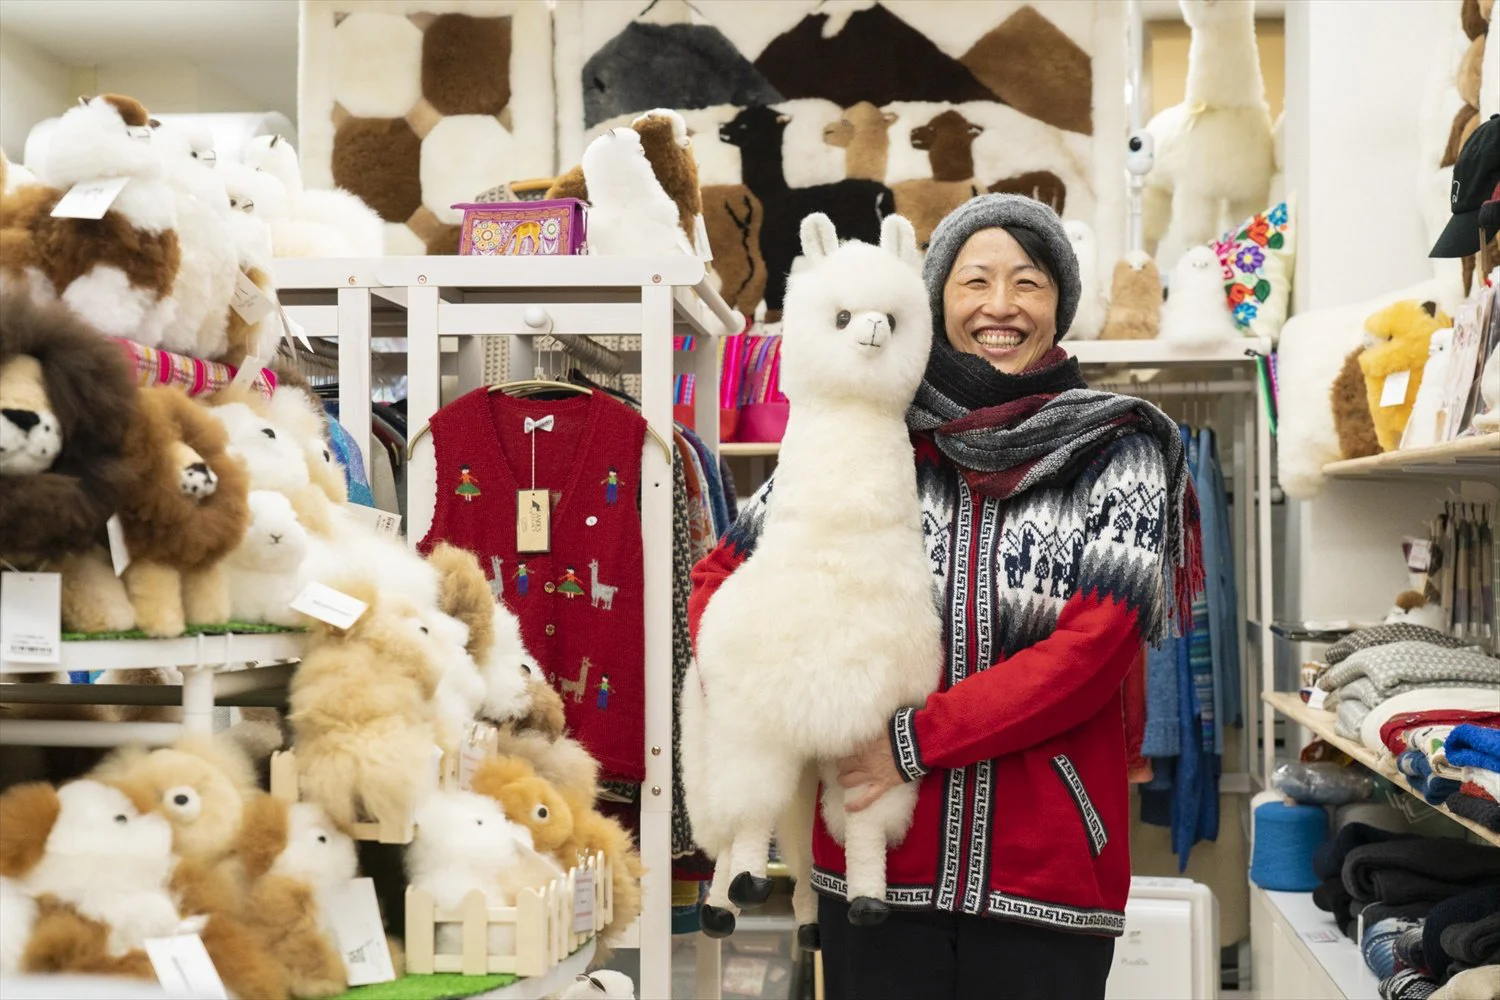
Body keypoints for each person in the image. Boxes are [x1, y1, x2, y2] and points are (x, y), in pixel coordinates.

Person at [688, 194, 1202, 1000]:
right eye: (975, 281)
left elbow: (1095, 649)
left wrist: (914, 740)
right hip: (877, 881)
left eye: (1028, 282)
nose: (1001, 306)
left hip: (1048, 882)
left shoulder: (1119, 451)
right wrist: (761, 678)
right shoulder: (868, 436)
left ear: (1059, 303)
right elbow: (720, 573)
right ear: (938, 300)